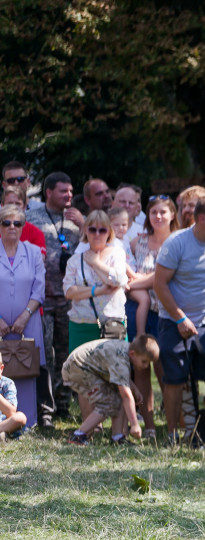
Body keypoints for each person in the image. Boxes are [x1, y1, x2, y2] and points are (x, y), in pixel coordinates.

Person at [153, 195, 205, 441]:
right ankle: (172, 434)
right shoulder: (176, 242)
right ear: (202, 218)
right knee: (175, 380)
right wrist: (180, 319)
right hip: (173, 322)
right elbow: (160, 284)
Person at [25, 172, 85, 426]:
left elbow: (92, 245)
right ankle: (45, 409)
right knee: (45, 356)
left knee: (66, 353)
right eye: (63, 191)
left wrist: (83, 224)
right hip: (42, 299)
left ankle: (63, 404)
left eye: (71, 191)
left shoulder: (76, 220)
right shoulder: (31, 218)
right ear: (48, 192)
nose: (69, 196)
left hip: (69, 299)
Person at [126, 196, 181, 436]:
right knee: (141, 369)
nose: (158, 216)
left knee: (165, 371)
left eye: (163, 212)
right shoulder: (137, 242)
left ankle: (174, 425)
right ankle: (148, 426)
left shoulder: (179, 242)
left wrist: (140, 280)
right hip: (141, 311)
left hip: (167, 313)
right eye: (153, 212)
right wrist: (137, 281)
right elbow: (127, 275)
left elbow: (165, 278)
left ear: (172, 215)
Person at [63, 335, 159, 445]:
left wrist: (134, 389)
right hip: (77, 369)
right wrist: (135, 425)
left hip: (81, 366)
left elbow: (121, 375)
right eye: (144, 361)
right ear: (133, 353)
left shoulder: (125, 351)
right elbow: (127, 397)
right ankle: (78, 435)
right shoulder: (121, 359)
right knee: (108, 403)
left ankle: (117, 437)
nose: (146, 366)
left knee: (116, 395)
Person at [0, 205, 45, 428]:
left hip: (27, 323)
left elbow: (39, 288)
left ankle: (27, 423)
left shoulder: (34, 252)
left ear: (23, 227)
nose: (11, 227)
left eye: (17, 223)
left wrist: (24, 316)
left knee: (26, 369)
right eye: (6, 222)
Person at [62, 211, 129, 350]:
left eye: (102, 230)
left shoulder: (117, 253)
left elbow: (119, 280)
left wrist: (96, 263)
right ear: (86, 230)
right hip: (81, 326)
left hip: (112, 325)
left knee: (114, 371)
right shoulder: (74, 260)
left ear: (109, 232)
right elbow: (69, 292)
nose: (97, 234)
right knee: (80, 371)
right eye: (92, 229)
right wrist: (98, 290)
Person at [0, 350, 28, 440]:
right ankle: (4, 436)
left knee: (20, 417)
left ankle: (4, 434)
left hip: (4, 423)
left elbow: (11, 412)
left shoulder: (7, 383)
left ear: (1, 368)